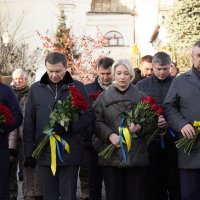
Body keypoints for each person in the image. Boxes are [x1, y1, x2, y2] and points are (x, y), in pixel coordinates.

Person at [23, 52, 95, 200]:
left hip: (69, 151)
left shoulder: (77, 87)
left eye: (58, 71)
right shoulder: (36, 89)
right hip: (44, 152)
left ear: (66, 68)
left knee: (69, 195)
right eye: (50, 71)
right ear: (45, 68)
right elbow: (29, 122)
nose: (54, 75)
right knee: (49, 195)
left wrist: (71, 127)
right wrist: (29, 152)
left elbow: (89, 116)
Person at [92, 59, 151, 200]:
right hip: (111, 154)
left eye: (126, 73)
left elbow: (152, 121)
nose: (122, 77)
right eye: (118, 73)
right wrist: (109, 135)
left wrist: (140, 127)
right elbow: (95, 120)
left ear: (131, 76)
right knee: (113, 195)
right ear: (113, 75)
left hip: (136, 154)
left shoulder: (142, 97)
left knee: (135, 195)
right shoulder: (103, 97)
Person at [136, 52, 181, 200]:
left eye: (165, 69)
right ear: (152, 67)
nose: (162, 73)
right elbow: (137, 112)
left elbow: (182, 108)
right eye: (158, 69)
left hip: (175, 140)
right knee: (153, 182)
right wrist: (153, 122)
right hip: (151, 141)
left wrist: (170, 121)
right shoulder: (141, 86)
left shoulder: (178, 83)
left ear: (171, 66)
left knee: (175, 181)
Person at [164, 40, 200, 200]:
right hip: (190, 151)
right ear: (192, 57)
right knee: (190, 195)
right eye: (199, 55)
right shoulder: (180, 81)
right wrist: (182, 124)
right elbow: (168, 107)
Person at [83, 57, 114, 200]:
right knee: (94, 182)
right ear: (97, 71)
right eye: (102, 73)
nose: (105, 77)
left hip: (113, 142)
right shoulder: (87, 89)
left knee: (112, 183)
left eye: (108, 73)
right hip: (92, 143)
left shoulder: (119, 88)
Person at [0, 80, 23, 200]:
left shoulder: (5, 91)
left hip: (0, 148)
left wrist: (3, 128)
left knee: (2, 190)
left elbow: (18, 116)